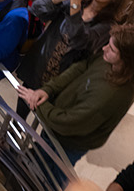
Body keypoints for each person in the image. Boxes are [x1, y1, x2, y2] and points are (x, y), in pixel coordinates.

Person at [20, 22, 134, 161]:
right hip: (55, 124)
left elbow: (68, 122)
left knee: (46, 176)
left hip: (67, 143)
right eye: (108, 44)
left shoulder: (111, 95)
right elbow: (82, 67)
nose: (104, 48)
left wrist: (38, 103)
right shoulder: (109, 61)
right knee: (37, 159)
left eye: (112, 49)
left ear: (126, 59)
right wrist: (48, 90)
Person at [17, 0, 134, 91]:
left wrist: (74, 4)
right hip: (38, 65)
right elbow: (36, 10)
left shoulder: (107, 26)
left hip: (59, 82)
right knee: (20, 105)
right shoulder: (80, 2)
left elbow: (79, 39)